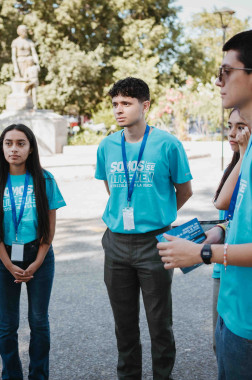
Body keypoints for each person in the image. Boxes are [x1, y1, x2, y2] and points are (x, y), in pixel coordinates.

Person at [157, 30, 252, 380]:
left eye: (226, 72)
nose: (218, 81)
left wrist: (203, 255)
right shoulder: (249, 150)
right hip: (233, 310)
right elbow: (231, 209)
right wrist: (215, 234)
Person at [95, 77, 193, 380]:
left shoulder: (168, 144)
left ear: (145, 105)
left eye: (126, 103)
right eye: (115, 104)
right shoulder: (107, 146)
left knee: (159, 322)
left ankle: (163, 376)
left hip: (155, 243)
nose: (119, 110)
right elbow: (112, 188)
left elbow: (184, 190)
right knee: (124, 324)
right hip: (116, 243)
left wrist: (157, 215)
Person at [0, 124, 66, 380]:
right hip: (4, 257)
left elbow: (49, 230)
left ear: (31, 148)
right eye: (9, 143)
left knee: (38, 321)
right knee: (8, 323)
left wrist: (36, 262)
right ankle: (11, 376)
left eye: (21, 143)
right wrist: (8, 264)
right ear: (1, 147)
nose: (14, 149)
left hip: (40, 256)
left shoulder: (45, 180)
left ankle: (39, 375)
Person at [209, 108, 251, 353]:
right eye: (229, 126)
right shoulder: (237, 162)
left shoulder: (246, 160)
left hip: (236, 262)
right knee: (220, 343)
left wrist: (245, 152)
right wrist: (219, 228)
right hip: (222, 266)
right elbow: (222, 206)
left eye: (241, 127)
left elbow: (223, 203)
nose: (232, 134)